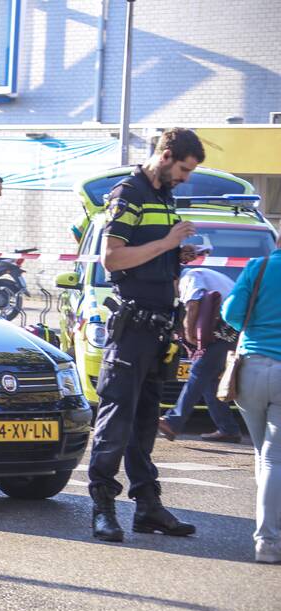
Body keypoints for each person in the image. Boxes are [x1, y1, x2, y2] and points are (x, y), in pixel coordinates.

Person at [88, 128, 203, 542]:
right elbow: (113, 257)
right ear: (167, 155)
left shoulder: (164, 196)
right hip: (133, 325)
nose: (186, 178)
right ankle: (102, 507)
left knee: (144, 424)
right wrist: (168, 241)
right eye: (185, 169)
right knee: (116, 418)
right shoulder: (128, 193)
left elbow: (151, 251)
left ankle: (147, 507)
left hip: (158, 327)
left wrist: (177, 253)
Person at [222, 236, 281, 563]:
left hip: (251, 370)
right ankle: (269, 540)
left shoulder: (257, 267)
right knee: (275, 458)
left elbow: (231, 312)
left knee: (264, 455)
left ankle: (269, 534)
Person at [158, 266, 242, 443]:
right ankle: (228, 429)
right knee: (208, 380)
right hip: (231, 330)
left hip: (227, 332)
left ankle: (173, 421)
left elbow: (193, 305)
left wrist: (190, 334)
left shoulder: (190, 276)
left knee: (198, 372)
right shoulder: (202, 275)